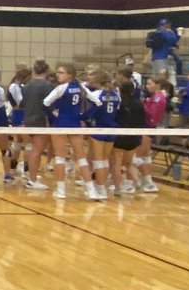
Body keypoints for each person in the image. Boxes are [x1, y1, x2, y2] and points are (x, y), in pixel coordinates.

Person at [44, 63, 103, 201]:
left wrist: (54, 115)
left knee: (60, 158)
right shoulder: (82, 88)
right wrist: (84, 117)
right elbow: (97, 103)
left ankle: (61, 191)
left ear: (70, 74)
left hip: (60, 124)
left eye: (61, 72)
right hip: (75, 124)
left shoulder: (60, 88)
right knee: (81, 158)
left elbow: (46, 103)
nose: (58, 75)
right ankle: (91, 191)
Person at [22, 60, 55, 191]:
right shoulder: (49, 86)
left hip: (28, 119)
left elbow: (23, 103)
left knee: (30, 148)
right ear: (47, 71)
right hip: (41, 120)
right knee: (37, 151)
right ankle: (32, 180)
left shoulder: (27, 85)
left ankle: (30, 174)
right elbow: (51, 105)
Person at [87, 70, 120, 200]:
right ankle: (102, 188)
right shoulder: (116, 95)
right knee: (105, 160)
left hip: (98, 128)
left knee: (98, 160)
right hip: (112, 129)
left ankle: (100, 189)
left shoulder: (95, 95)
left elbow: (89, 113)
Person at [111, 80, 146, 196]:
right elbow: (141, 121)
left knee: (116, 163)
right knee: (129, 162)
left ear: (120, 89)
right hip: (133, 137)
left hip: (119, 136)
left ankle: (117, 189)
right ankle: (134, 182)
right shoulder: (139, 104)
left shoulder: (118, 102)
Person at [147, 19, 181, 85]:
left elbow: (170, 42)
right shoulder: (164, 32)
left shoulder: (158, 32)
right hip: (162, 58)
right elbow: (173, 39)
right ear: (166, 24)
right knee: (162, 79)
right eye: (169, 24)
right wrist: (177, 33)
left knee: (156, 78)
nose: (170, 26)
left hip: (155, 58)